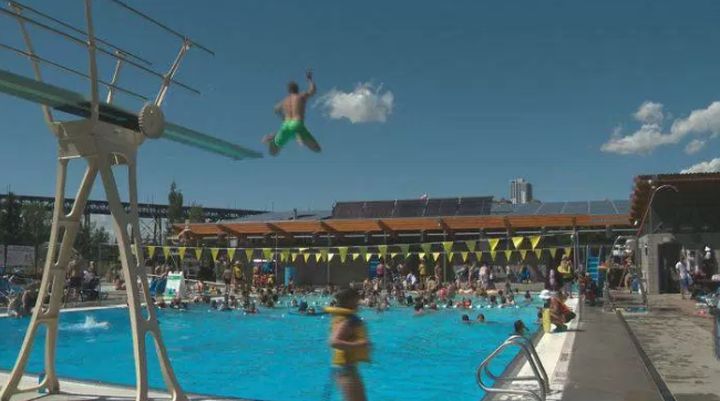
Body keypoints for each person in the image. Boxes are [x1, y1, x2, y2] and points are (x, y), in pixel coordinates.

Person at [262, 70, 321, 156]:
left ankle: (274, 138)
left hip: (285, 126)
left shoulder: (284, 101)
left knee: (273, 152)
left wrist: (283, 117)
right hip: (297, 125)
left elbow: (275, 109)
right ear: (297, 89)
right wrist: (309, 79)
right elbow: (313, 90)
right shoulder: (301, 96)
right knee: (317, 149)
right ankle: (299, 138)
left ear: (289, 90)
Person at [326, 289, 370, 401]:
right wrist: (358, 345)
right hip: (345, 368)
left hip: (346, 366)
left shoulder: (347, 318)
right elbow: (333, 342)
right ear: (350, 301)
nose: (359, 302)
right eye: (357, 299)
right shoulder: (347, 321)